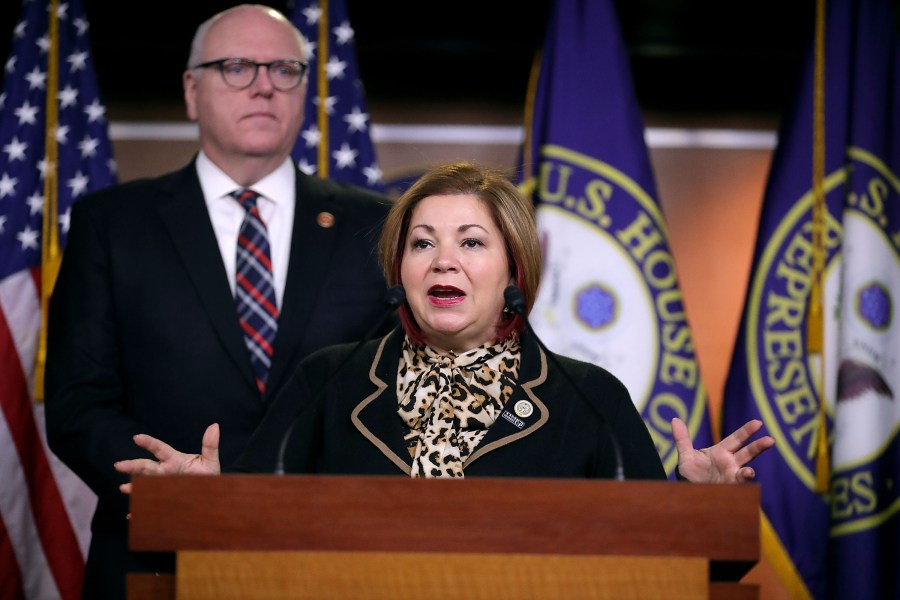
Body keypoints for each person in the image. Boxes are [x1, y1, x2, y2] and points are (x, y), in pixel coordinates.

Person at [114, 161, 774, 490]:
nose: (444, 261)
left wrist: (696, 501)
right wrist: (209, 499)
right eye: (422, 243)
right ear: (399, 267)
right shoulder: (331, 380)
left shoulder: (589, 398)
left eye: (471, 243)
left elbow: (659, 561)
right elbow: (254, 526)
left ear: (514, 267)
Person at [44, 5, 394, 598]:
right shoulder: (112, 224)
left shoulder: (376, 225)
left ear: (304, 90)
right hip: (156, 552)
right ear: (191, 90)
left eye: (284, 68)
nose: (263, 85)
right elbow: (78, 403)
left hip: (328, 552)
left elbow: (398, 391)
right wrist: (169, 482)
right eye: (235, 67)